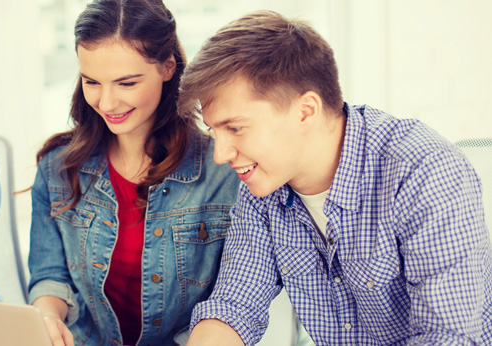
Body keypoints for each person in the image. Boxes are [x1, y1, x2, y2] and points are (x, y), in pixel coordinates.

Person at [178, 10, 492, 345]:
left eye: (235, 128)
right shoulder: (264, 187)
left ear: (306, 110)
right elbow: (234, 306)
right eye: (214, 130)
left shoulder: (424, 171)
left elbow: (447, 337)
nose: (220, 154)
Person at [26, 0, 241, 345]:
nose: (107, 103)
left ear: (168, 67)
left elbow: (231, 301)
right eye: (92, 82)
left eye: (126, 83)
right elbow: (50, 276)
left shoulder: (223, 173)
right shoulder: (57, 166)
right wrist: (48, 318)